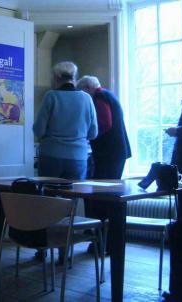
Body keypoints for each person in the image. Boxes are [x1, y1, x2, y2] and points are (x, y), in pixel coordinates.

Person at [33, 61, 98, 263]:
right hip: (78, 158)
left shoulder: (51, 97)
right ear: (75, 78)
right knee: (70, 204)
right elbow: (93, 132)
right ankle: (64, 252)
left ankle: (43, 248)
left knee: (47, 202)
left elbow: (38, 130)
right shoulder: (86, 98)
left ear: (57, 78)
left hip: (51, 155)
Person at [76, 76, 131, 254]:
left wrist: (88, 134)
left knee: (102, 198)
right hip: (116, 153)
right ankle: (106, 243)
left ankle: (102, 243)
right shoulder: (110, 96)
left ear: (88, 88)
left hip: (109, 154)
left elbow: (104, 124)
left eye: (83, 92)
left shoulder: (99, 98)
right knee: (107, 197)